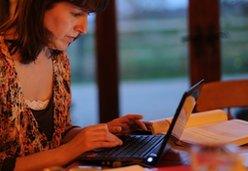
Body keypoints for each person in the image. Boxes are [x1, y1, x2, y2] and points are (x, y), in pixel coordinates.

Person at [0, 0, 147, 170]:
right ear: (39, 6)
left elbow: (58, 132)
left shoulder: (58, 57)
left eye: (87, 15)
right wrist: (68, 151)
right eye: (76, 13)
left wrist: (98, 134)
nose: (84, 29)